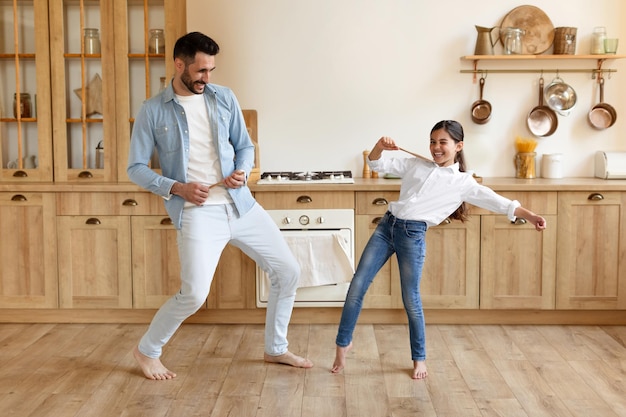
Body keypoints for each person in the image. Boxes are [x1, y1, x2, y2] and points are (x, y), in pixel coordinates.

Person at [127, 31, 312, 380]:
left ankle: (276, 348)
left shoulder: (224, 97)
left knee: (288, 271)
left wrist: (241, 170)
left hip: (240, 205)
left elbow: (245, 146)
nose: (207, 78)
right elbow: (134, 168)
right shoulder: (152, 111)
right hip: (197, 213)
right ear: (179, 64)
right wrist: (177, 187)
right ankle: (147, 350)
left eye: (211, 70)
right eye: (200, 71)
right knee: (194, 294)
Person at [331, 120, 547, 380]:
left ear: (458, 146)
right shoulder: (416, 164)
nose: (436, 147)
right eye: (433, 142)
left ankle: (419, 358)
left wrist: (531, 215)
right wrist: (379, 146)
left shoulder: (463, 183)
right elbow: (376, 164)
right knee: (357, 285)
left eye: (443, 142)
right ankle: (343, 344)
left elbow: (499, 203)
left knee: (410, 299)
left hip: (412, 236)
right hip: (386, 227)